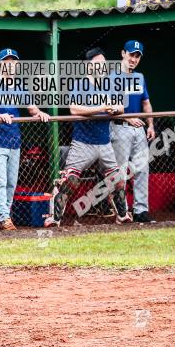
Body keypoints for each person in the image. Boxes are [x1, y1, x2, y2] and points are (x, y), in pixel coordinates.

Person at [45, 47, 131, 227]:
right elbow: (74, 109)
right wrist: (101, 108)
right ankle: (54, 218)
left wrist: (115, 109)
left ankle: (122, 215)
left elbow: (122, 107)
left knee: (117, 180)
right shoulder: (80, 85)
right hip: (83, 143)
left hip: (104, 143)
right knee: (70, 180)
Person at [0, 48, 50, 230]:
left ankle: (5, 215)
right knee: (0, 181)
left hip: (14, 141)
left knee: (11, 182)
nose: (10, 64)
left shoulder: (20, 86)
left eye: (13, 61)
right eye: (6, 61)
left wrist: (40, 113)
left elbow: (32, 109)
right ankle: (2, 217)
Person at [110, 40, 155, 224]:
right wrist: (128, 118)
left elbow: (146, 103)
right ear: (123, 53)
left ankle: (141, 211)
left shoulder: (139, 77)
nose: (134, 59)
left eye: (137, 56)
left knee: (142, 169)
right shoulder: (112, 77)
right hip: (120, 128)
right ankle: (122, 212)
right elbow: (111, 107)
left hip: (139, 130)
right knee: (119, 173)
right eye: (131, 54)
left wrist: (150, 124)